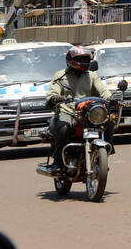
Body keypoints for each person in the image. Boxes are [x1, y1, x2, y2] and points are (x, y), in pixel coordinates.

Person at [40, 46, 112, 176]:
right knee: (64, 128)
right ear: (70, 60)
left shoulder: (92, 75)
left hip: (87, 111)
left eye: (86, 58)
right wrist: (57, 98)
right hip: (67, 112)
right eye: (80, 58)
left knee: (109, 119)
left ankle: (107, 150)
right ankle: (57, 162)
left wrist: (111, 99)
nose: (84, 61)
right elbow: (51, 94)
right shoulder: (60, 76)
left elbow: (103, 91)